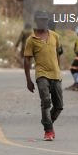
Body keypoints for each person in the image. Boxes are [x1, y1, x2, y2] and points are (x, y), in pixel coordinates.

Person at [24, 10, 63, 141]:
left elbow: (57, 55)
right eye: (41, 19)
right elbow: (27, 60)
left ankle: (47, 121)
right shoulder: (31, 39)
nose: (44, 22)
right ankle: (48, 130)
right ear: (36, 21)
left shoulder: (55, 36)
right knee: (46, 102)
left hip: (55, 74)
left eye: (46, 19)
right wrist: (28, 80)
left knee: (59, 106)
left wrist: (59, 70)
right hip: (41, 74)